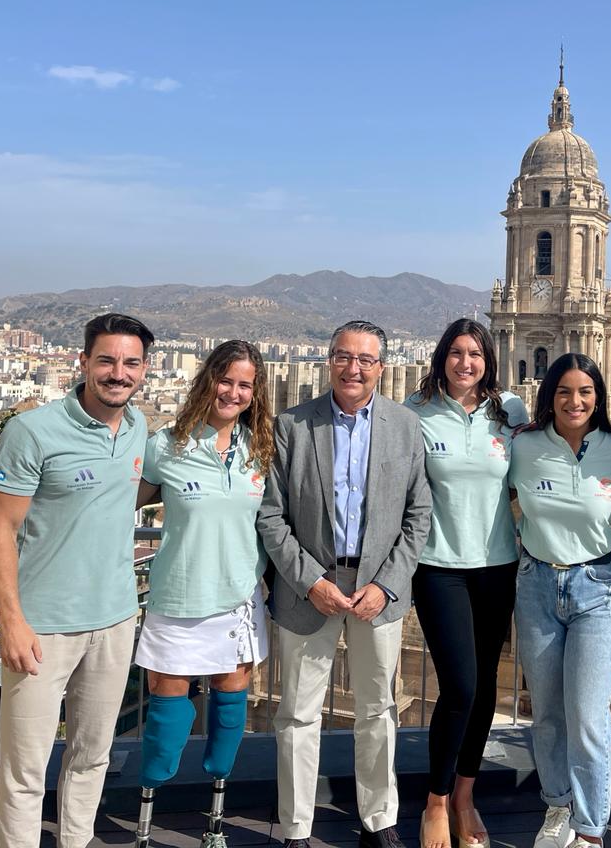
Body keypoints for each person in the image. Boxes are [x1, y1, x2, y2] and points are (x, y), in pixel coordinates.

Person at [256, 319, 432, 848]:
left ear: (382, 366)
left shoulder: (404, 426)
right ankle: (295, 829)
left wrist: (386, 584)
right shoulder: (292, 425)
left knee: (378, 710)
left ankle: (379, 822)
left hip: (376, 591)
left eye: (366, 359)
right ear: (329, 360)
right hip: (311, 588)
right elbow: (271, 516)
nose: (354, 368)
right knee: (297, 714)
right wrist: (310, 580)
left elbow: (418, 514)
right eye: (344, 356)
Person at [0, 312, 155, 848]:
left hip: (115, 619)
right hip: (43, 627)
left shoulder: (137, 428)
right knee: (25, 771)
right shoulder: (33, 431)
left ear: (145, 370)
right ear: (82, 362)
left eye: (130, 363)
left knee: (90, 757)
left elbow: (127, 496)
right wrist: (10, 620)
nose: (117, 373)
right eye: (105, 360)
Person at [131, 340, 275, 848]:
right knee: (167, 721)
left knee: (230, 715)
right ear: (207, 379)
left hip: (237, 600)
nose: (233, 392)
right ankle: (147, 820)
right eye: (226, 380)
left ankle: (215, 823)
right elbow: (122, 503)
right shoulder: (165, 445)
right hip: (177, 597)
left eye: (245, 384)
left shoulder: (261, 450)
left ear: (255, 392)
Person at [406, 319, 529, 848]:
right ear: (441, 359)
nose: (465, 362)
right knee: (459, 686)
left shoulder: (511, 413)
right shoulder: (414, 415)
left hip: (497, 565)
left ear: (488, 359)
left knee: (479, 693)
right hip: (437, 567)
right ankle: (435, 800)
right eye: (455, 353)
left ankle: (464, 794)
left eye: (475, 353)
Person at [509, 354, 611, 848]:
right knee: (546, 713)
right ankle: (557, 805)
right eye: (564, 391)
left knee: (588, 717)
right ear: (549, 397)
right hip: (536, 586)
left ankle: (589, 830)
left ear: (599, 398)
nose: (574, 401)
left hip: (597, 591)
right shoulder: (524, 448)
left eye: (585, 391)